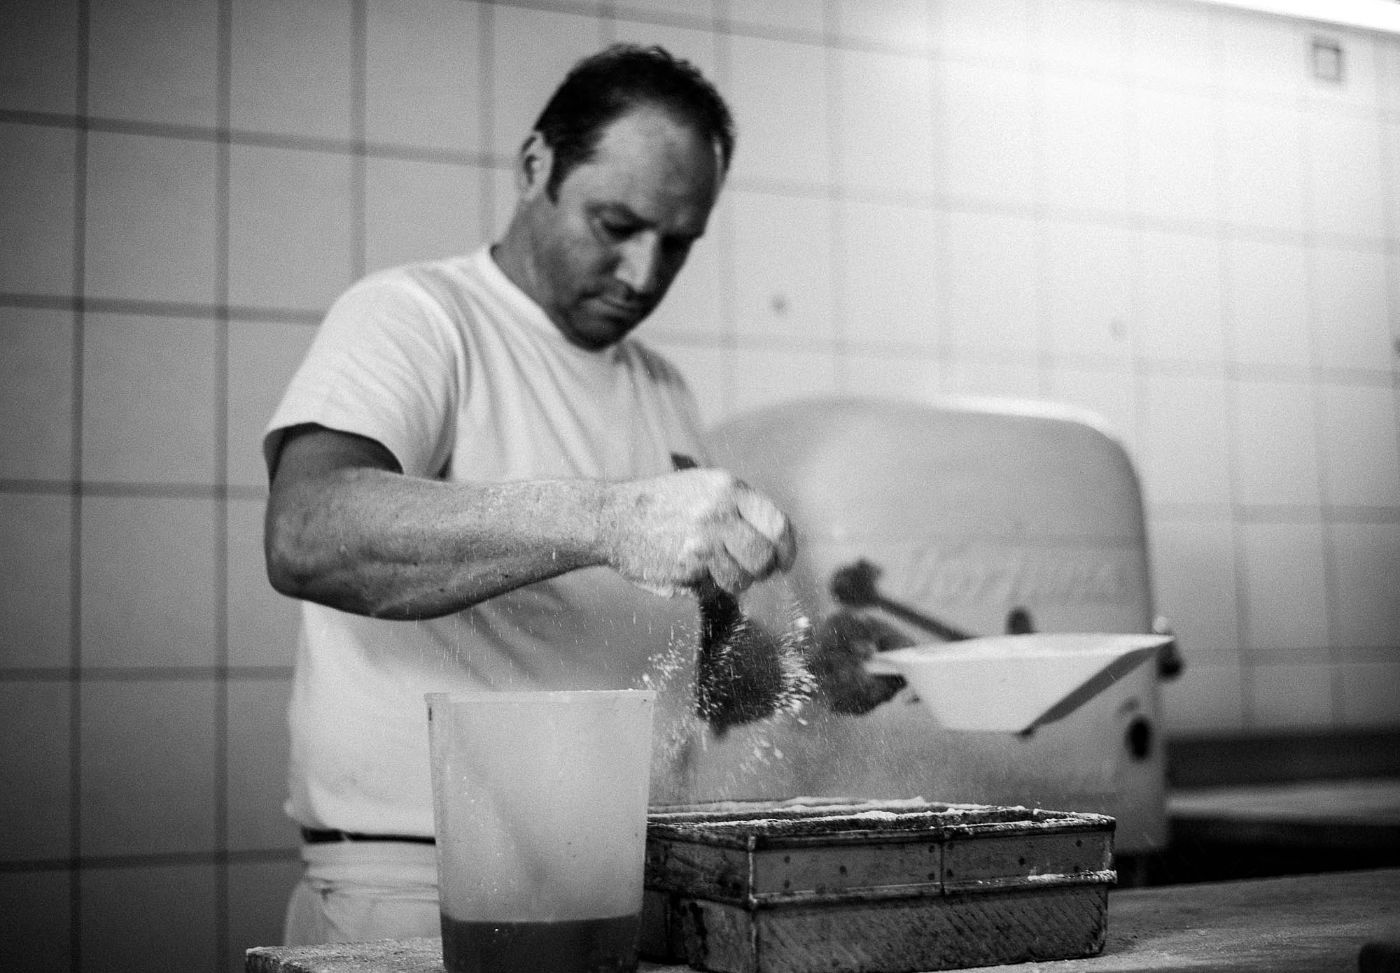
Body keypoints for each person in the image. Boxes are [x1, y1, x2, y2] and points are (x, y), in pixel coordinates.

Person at [263, 43, 905, 946]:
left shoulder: (661, 387)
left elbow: (689, 659)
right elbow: (306, 532)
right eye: (616, 225)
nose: (644, 274)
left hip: (622, 879)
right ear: (536, 167)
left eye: (676, 243)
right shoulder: (416, 319)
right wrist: (607, 518)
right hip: (424, 881)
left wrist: (808, 673)